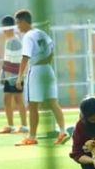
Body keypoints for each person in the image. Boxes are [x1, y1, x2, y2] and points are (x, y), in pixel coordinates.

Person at [14, 9, 68, 146]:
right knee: (53, 102)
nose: (18, 27)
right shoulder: (42, 33)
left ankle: (32, 137)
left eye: (18, 23)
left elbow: (25, 57)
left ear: (24, 22)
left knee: (33, 105)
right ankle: (62, 131)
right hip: (48, 69)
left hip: (36, 71)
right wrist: (45, 64)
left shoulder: (28, 36)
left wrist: (19, 76)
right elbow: (52, 51)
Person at [0, 15, 28, 135]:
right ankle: (10, 126)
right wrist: (3, 75)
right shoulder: (8, 41)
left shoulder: (15, 42)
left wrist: (19, 78)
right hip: (9, 77)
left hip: (16, 76)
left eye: (4, 27)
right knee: (7, 99)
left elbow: (19, 61)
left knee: (18, 99)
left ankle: (24, 126)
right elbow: (7, 60)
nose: (3, 30)